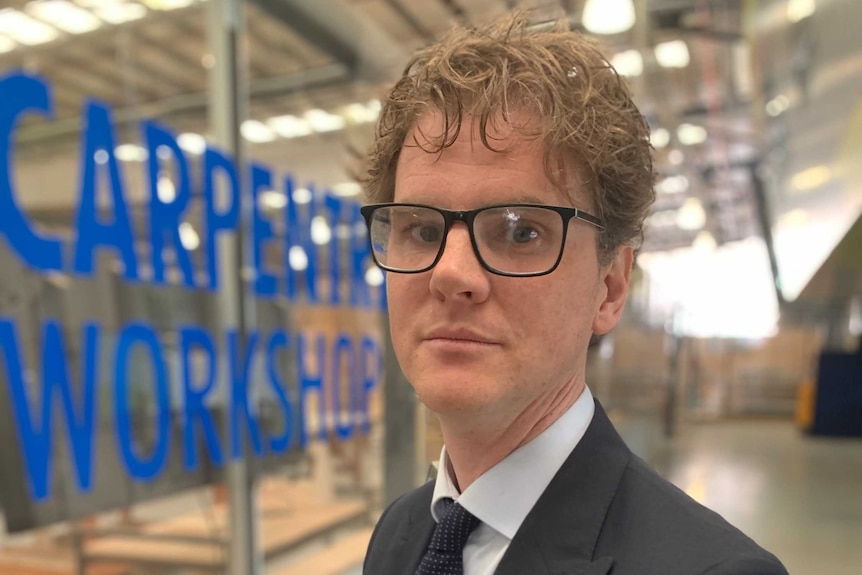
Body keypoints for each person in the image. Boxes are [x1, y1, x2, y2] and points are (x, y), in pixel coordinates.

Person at [360, 10, 787, 575]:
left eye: (521, 232)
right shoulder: (401, 532)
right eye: (422, 230)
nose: (451, 273)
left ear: (610, 289)